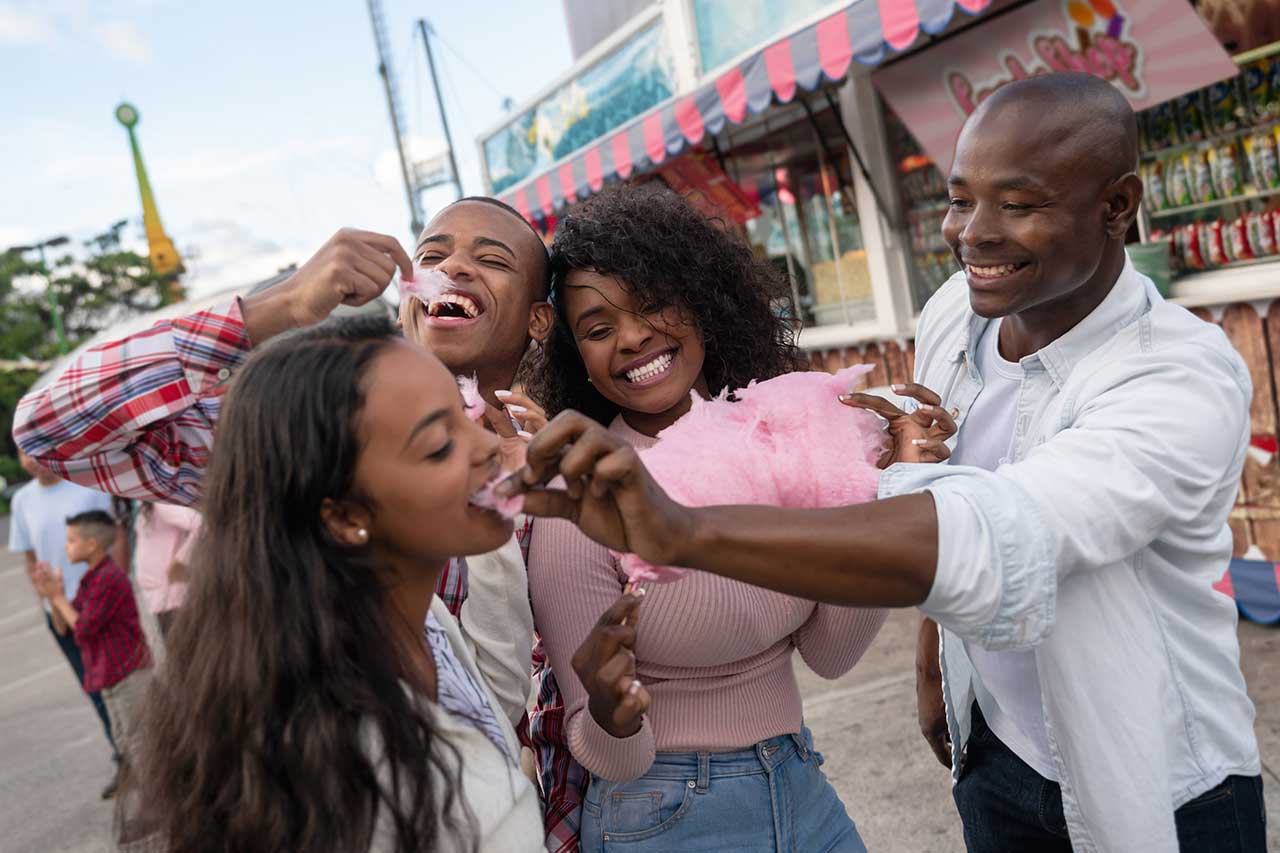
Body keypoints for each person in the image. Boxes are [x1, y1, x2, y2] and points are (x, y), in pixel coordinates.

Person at [505, 73, 1265, 851]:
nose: (973, 233)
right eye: (960, 198)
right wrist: (934, 672)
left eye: (1019, 203)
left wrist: (680, 532)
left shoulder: (1178, 378)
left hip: (1152, 778)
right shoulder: (954, 317)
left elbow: (1000, 537)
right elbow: (930, 531)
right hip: (996, 759)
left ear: (1117, 206)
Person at [14, 203, 586, 851]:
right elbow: (50, 427)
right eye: (431, 255)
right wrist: (280, 304)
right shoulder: (310, 439)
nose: (453, 265)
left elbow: (500, 698)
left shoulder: (563, 463)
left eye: (490, 259)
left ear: (539, 317)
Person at [523, 184, 887, 852]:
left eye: (654, 304)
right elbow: (607, 751)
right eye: (600, 329)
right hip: (661, 812)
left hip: (800, 780)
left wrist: (872, 495)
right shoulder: (578, 494)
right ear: (580, 359)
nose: (632, 337)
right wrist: (611, 710)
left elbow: (832, 653)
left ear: (703, 301)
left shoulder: (784, 437)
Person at [128, 315, 542, 851]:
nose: (488, 444)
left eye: (468, 415)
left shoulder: (419, 623)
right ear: (345, 516)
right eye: (441, 444)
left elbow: (495, 707)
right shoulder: (343, 751)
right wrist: (275, 305)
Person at [6, 451, 120, 797]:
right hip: (59, 609)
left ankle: (150, 755)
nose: (31, 460)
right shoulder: (23, 501)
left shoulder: (86, 484)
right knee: (94, 688)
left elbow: (117, 534)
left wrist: (120, 584)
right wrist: (48, 601)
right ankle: (124, 758)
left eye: (36, 451)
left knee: (123, 685)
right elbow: (30, 557)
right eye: (23, 453)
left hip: (101, 603)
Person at [32, 510, 151, 793]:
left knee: (141, 744)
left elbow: (84, 628)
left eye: (71, 540)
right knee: (125, 742)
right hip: (108, 674)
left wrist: (59, 598)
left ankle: (160, 807)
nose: (65, 546)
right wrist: (52, 596)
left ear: (91, 545)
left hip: (129, 673)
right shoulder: (90, 580)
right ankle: (153, 805)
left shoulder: (109, 578)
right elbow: (66, 629)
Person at [132, 502, 202, 637]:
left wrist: (182, 561)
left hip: (172, 595)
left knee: (183, 652)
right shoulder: (144, 506)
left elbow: (200, 525)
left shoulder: (161, 504)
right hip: (161, 597)